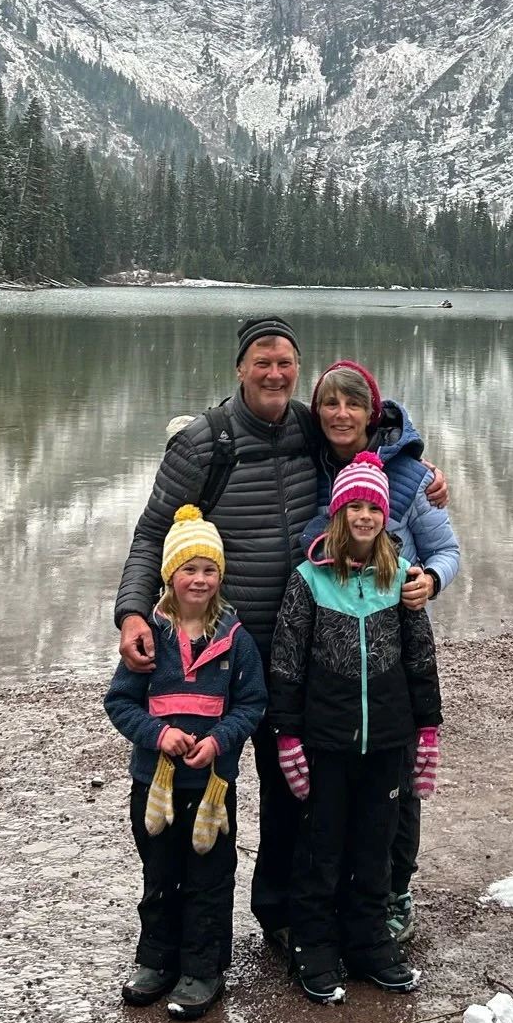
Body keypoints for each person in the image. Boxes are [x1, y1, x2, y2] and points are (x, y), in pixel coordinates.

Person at [114, 316, 323, 946]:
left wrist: (424, 474)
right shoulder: (206, 441)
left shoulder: (312, 427)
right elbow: (153, 533)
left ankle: (280, 914)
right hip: (217, 652)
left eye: (285, 361)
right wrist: (130, 613)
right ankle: (191, 934)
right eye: (262, 361)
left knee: (292, 787)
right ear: (240, 367)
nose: (274, 373)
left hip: (294, 651)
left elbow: (376, 439)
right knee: (204, 784)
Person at [268, 453, 442, 1004]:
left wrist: (428, 729)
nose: (364, 517)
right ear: (338, 516)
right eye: (353, 507)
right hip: (326, 741)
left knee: (375, 845)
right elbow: (288, 664)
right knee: (322, 848)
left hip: (387, 739)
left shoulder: (401, 578)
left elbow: (420, 657)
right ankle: (314, 947)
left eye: (373, 507)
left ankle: (369, 942)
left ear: (385, 515)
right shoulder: (309, 580)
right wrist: (288, 736)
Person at [303, 360, 459, 945]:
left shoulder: (414, 477)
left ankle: (395, 888)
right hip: (332, 646)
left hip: (396, 646)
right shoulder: (307, 465)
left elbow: (446, 548)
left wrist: (432, 582)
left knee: (397, 775)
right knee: (338, 777)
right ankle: (341, 892)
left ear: (374, 413)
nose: (342, 416)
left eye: (354, 406)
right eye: (330, 405)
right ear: (316, 413)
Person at [104, 503, 267, 1019]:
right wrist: (160, 733)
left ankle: (202, 969)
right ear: (169, 576)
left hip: (211, 786)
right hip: (153, 782)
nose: (199, 580)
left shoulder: (235, 640)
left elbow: (252, 705)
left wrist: (220, 742)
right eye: (188, 569)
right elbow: (120, 703)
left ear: (220, 575)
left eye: (209, 569)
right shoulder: (149, 637)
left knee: (209, 877)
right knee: (160, 871)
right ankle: (156, 961)